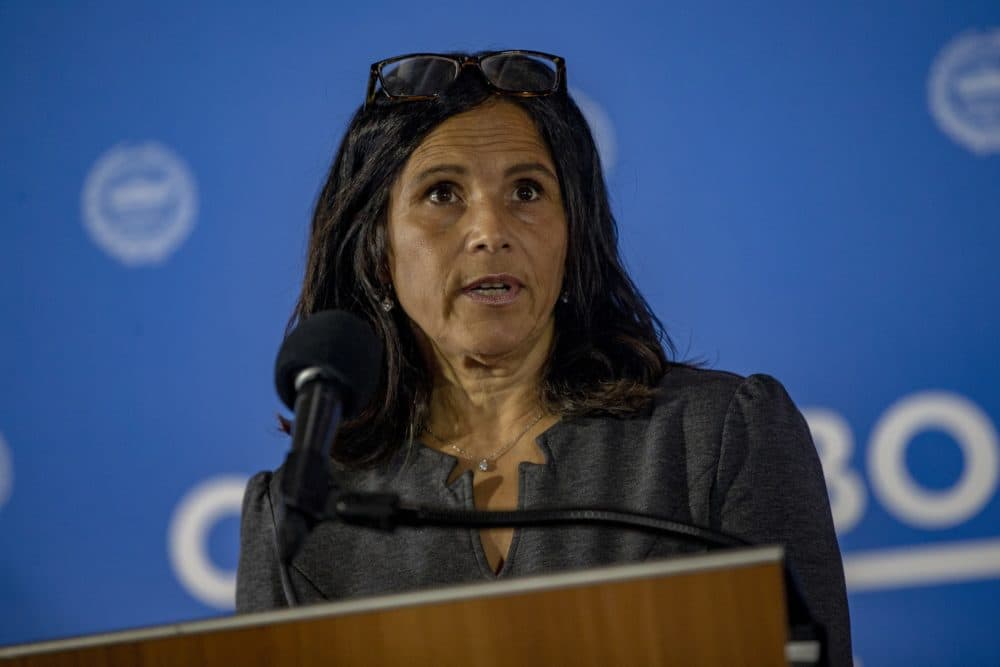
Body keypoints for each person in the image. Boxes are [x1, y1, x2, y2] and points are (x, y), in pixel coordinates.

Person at [236, 50, 852, 665]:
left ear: (572, 234)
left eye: (527, 190)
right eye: (442, 193)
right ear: (377, 252)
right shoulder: (296, 517)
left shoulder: (718, 438)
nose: (490, 230)